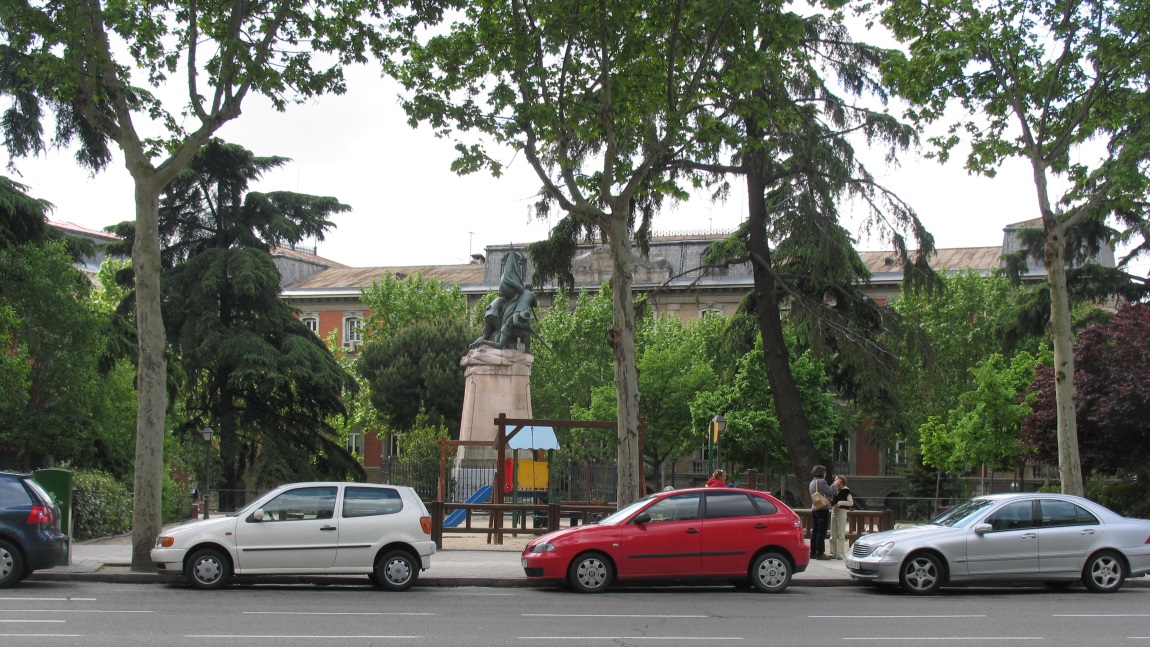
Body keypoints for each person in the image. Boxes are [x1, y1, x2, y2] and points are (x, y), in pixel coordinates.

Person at [809, 465, 838, 560]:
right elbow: (830, 492)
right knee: (822, 531)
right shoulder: (822, 481)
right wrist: (835, 485)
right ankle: (820, 553)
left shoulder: (812, 482)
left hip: (815, 507)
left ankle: (813, 552)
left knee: (815, 530)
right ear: (822, 473)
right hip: (822, 508)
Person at [828, 475, 854, 559]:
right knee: (833, 532)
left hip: (841, 511)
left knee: (841, 533)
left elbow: (851, 502)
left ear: (841, 482)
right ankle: (833, 552)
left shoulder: (846, 491)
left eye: (837, 481)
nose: (835, 482)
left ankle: (840, 553)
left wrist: (840, 503)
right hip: (834, 511)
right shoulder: (835, 490)